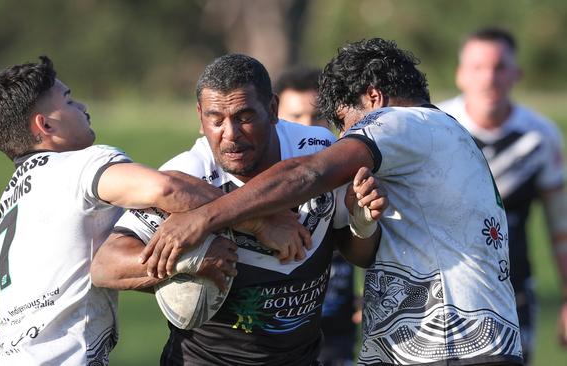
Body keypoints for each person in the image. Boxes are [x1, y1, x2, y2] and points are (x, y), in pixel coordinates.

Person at [141, 38, 525, 365]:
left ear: (373, 98)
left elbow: (306, 174)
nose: (344, 137)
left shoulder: (402, 123)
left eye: (345, 123)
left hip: (447, 346)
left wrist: (204, 217)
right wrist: (361, 222)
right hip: (471, 343)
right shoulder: (443, 133)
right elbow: (362, 249)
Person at [0, 56, 303, 365]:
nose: (83, 107)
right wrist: (261, 222)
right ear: (45, 125)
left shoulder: (14, 195)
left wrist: (179, 267)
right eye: (70, 101)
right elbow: (167, 189)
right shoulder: (76, 166)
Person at [91, 54, 387, 365]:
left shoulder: (317, 149)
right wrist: (191, 261)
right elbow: (106, 265)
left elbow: (360, 254)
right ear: (200, 116)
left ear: (272, 109)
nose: (230, 134)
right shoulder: (189, 175)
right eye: (215, 119)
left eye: (244, 117)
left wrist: (362, 223)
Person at [438, 27, 567, 363]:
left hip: (513, 289)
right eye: (478, 68)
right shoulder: (434, 127)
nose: (489, 78)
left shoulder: (540, 137)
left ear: (516, 74)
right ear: (460, 75)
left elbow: (561, 227)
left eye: (499, 67)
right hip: (439, 292)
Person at [276, 65, 360, 366]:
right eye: (296, 117)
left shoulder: (352, 175)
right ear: (275, 117)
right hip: (276, 341)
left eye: (317, 116)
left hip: (336, 342)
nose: (308, 128)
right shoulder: (257, 188)